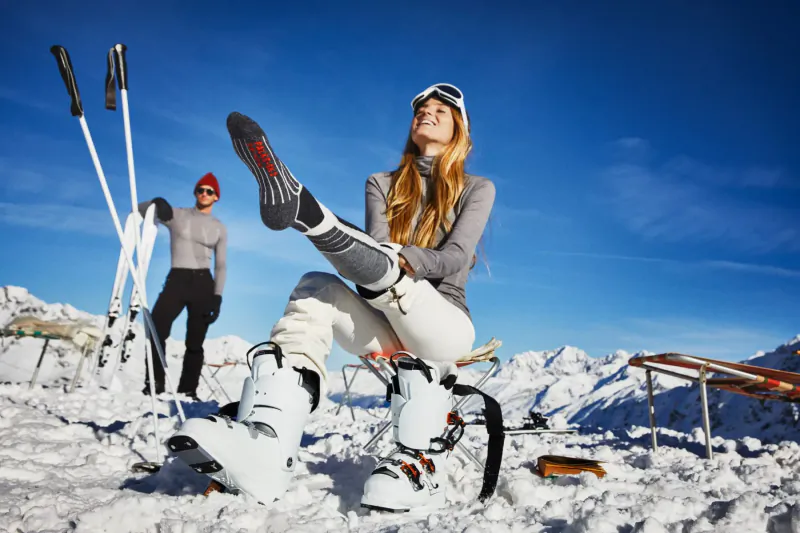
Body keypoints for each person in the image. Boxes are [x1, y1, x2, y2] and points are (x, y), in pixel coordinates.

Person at [169, 84, 497, 511]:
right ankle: (265, 445)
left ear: (459, 129)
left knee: (386, 270)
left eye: (440, 109)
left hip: (443, 328)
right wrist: (388, 260)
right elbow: (369, 261)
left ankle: (307, 211)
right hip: (384, 319)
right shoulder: (381, 184)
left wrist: (404, 259)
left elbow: (455, 258)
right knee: (315, 287)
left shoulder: (478, 187)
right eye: (420, 108)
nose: (425, 113)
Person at [137, 172, 227, 399]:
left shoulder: (219, 227)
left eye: (210, 191)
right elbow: (140, 210)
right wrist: (156, 202)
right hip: (176, 280)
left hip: (203, 284)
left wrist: (217, 297)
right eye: (201, 189)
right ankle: (154, 385)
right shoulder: (177, 215)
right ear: (195, 192)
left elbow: (221, 266)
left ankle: (188, 391)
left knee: (195, 341)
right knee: (156, 329)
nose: (204, 194)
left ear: (216, 197)